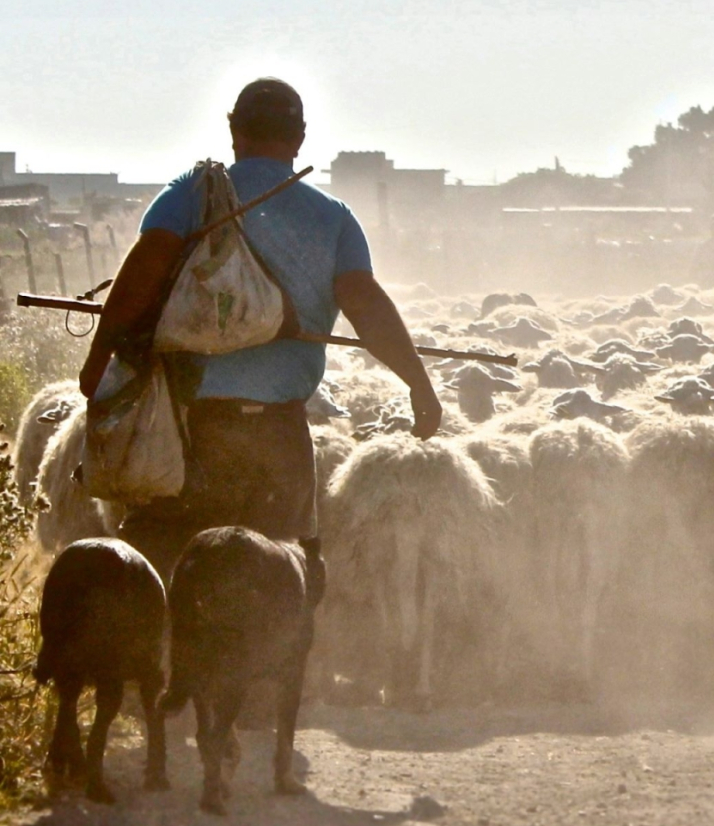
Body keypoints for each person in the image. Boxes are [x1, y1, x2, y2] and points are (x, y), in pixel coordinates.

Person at [79, 77, 442, 577]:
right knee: (286, 580)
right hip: (277, 441)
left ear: (235, 132)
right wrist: (418, 384)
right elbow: (365, 303)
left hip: (190, 437)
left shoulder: (193, 195)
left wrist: (96, 366)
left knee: (157, 575)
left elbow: (144, 270)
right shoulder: (333, 218)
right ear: (299, 139)